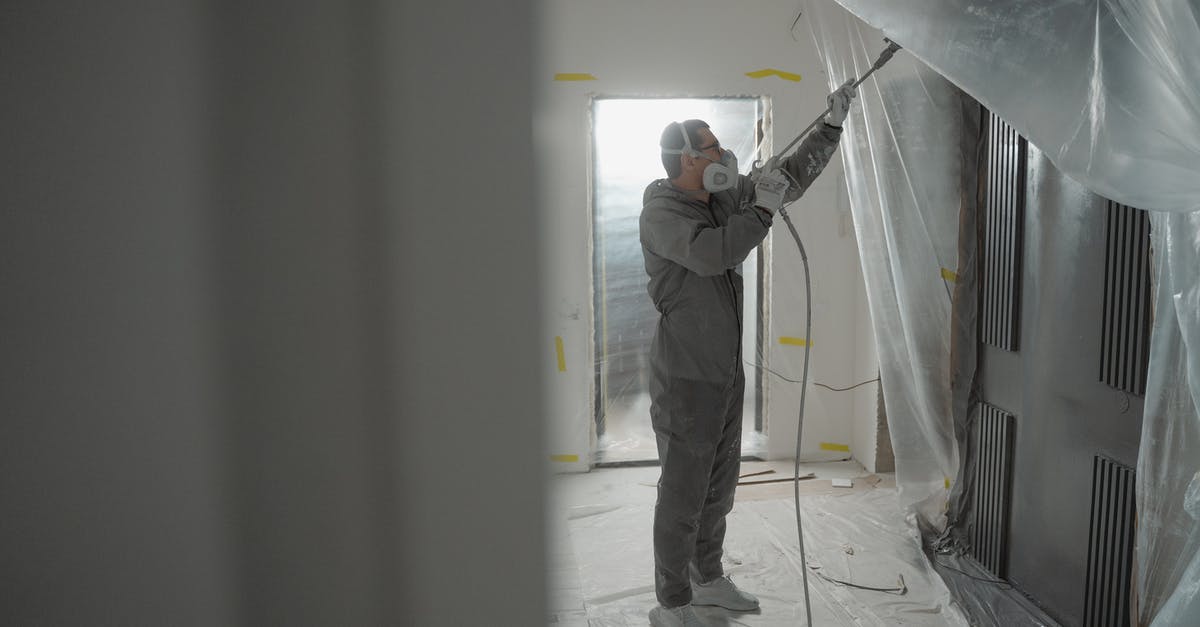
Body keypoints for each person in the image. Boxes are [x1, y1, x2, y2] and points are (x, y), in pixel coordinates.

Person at [639, 81, 857, 627]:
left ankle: (707, 579)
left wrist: (830, 127)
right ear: (689, 160)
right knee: (683, 493)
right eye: (713, 148)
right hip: (686, 376)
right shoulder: (663, 215)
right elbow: (713, 254)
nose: (724, 154)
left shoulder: (721, 197)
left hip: (723, 373)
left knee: (718, 487)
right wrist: (760, 210)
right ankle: (673, 603)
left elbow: (785, 180)